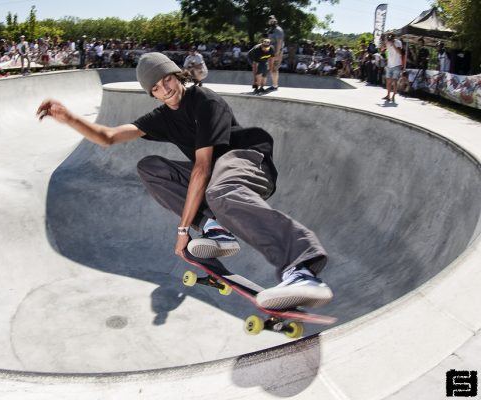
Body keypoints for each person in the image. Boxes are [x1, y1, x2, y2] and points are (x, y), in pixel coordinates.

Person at [36, 52, 333, 311]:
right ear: (151, 94)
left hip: (246, 161)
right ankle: (214, 228)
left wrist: (182, 230)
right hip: (218, 183)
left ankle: (301, 268)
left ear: (177, 75)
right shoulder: (162, 117)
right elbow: (109, 137)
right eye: (156, 88)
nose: (165, 89)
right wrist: (69, 117)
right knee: (150, 167)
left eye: (167, 80)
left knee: (218, 187)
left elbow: (202, 168)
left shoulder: (203, 100)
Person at [381, 33, 402, 102]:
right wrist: (383, 42)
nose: (389, 38)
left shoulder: (398, 42)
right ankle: (388, 95)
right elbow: (382, 50)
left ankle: (393, 96)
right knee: (388, 82)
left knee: (395, 81)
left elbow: (399, 52)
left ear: (394, 37)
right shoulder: (387, 42)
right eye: (388, 37)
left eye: (390, 37)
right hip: (389, 65)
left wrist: (393, 45)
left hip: (396, 64)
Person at [267, 15, 284, 91]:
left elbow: (280, 42)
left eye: (272, 20)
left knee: (274, 69)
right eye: (270, 20)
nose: (271, 22)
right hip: (270, 52)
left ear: (275, 21)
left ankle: (275, 86)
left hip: (277, 52)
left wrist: (277, 53)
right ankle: (274, 85)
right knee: (271, 69)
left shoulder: (278, 30)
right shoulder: (271, 30)